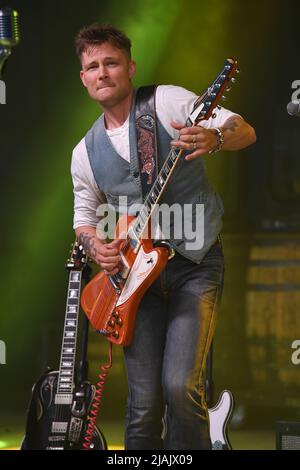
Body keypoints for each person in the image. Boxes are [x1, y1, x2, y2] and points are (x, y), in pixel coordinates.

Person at [71, 23, 256, 450]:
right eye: (92, 66)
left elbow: (245, 131)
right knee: (141, 404)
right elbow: (83, 218)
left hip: (196, 263)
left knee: (178, 387)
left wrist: (214, 138)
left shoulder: (168, 100)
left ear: (130, 66)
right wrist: (94, 244)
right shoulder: (84, 152)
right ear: (83, 78)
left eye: (111, 62)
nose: (102, 72)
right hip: (138, 279)